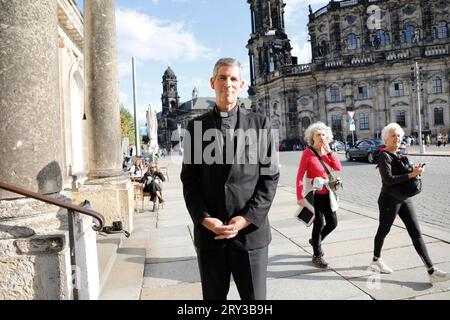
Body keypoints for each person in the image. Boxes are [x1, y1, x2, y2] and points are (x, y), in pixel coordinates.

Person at [180, 57, 279, 300]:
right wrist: (204, 219)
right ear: (212, 82)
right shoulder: (196, 127)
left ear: (242, 84)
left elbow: (270, 178)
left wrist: (245, 219)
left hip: (249, 234)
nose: (228, 83)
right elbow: (189, 181)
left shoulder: (260, 123)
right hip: (210, 234)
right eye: (222, 77)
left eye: (233, 78)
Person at [370, 123, 450, 283]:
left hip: (404, 198)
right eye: (393, 136)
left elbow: (407, 174)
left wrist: (416, 172)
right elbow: (388, 180)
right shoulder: (384, 156)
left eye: (399, 135)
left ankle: (431, 270)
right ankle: (376, 259)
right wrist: (411, 174)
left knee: (416, 233)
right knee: (383, 230)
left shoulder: (401, 155)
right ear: (386, 139)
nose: (397, 138)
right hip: (389, 200)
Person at [296, 122, 342, 269]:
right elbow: (299, 176)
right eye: (318, 135)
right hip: (314, 194)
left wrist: (329, 152)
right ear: (312, 137)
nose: (322, 137)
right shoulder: (307, 153)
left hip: (327, 193)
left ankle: (316, 240)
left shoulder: (327, 152)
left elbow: (338, 168)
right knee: (319, 223)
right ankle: (317, 255)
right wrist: (299, 196)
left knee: (333, 223)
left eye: (324, 135)